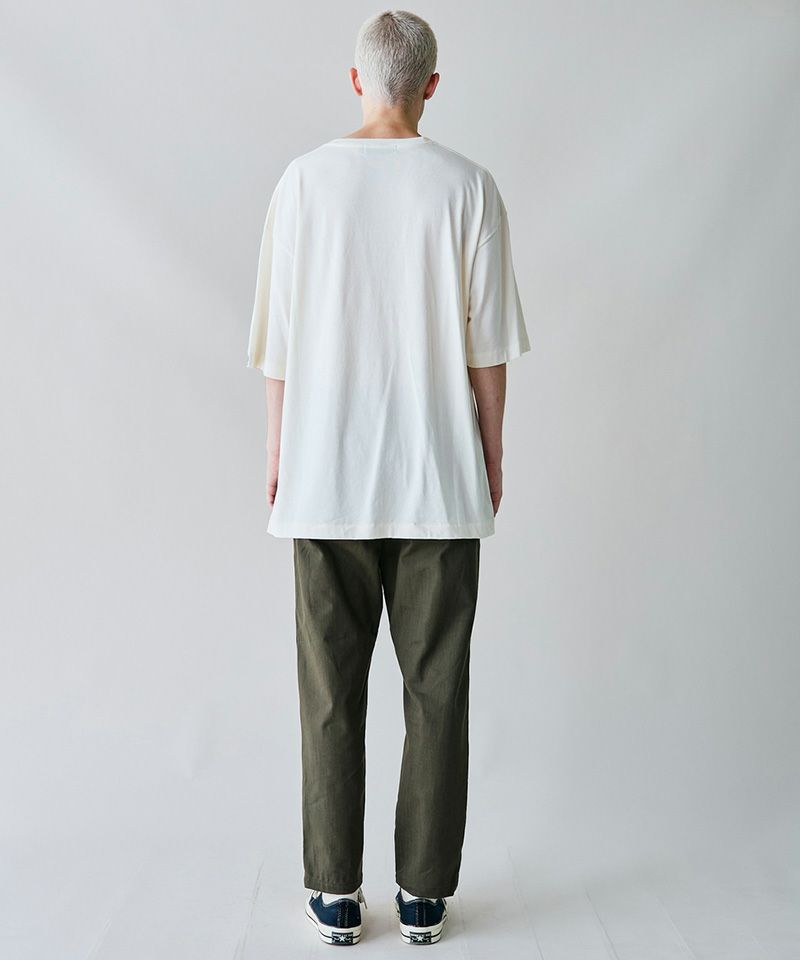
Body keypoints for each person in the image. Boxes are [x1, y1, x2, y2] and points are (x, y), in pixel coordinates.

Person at [246, 9, 530, 946]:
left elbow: (279, 342)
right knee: (436, 689)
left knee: (330, 692)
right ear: (432, 87)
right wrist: (492, 450)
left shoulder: (303, 182)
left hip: (324, 474)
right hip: (437, 477)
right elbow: (488, 350)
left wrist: (280, 451)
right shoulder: (469, 187)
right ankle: (424, 896)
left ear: (356, 80)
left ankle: (334, 892)